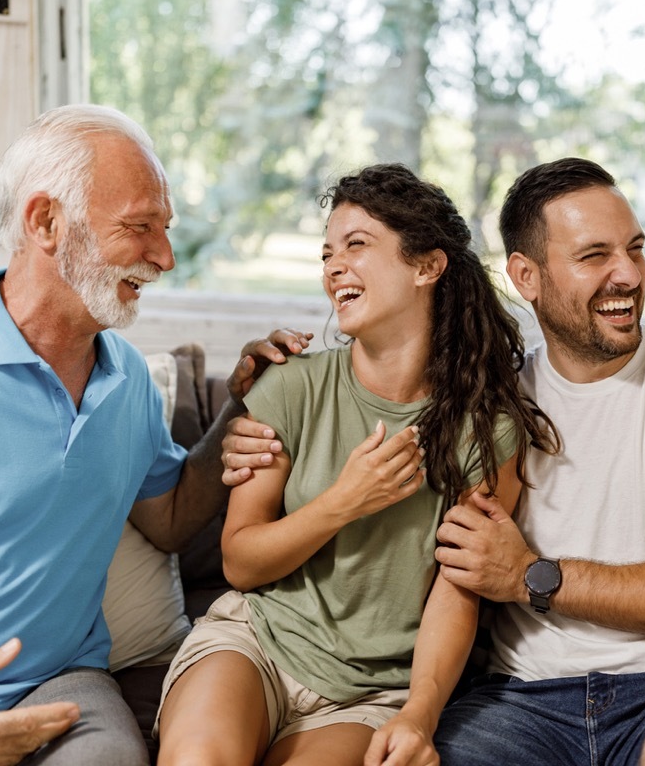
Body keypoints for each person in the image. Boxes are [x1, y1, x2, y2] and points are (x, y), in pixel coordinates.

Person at [225, 158, 645, 765]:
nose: (627, 274)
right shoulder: (489, 407)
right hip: (517, 703)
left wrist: (531, 576)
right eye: (594, 256)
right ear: (527, 275)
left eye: (635, 249)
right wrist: (246, 403)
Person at [0, 104, 308, 766]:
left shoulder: (129, 384)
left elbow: (171, 519)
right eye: (140, 228)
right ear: (45, 222)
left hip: (57, 691)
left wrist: (242, 404)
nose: (166, 258)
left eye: (165, 230)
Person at [155, 163, 556, 766]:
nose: (333, 266)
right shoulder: (290, 386)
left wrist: (419, 715)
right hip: (256, 642)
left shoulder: (487, 428)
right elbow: (240, 561)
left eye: (357, 245)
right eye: (326, 253)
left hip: (375, 691)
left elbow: (458, 592)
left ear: (427, 266)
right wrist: (346, 499)